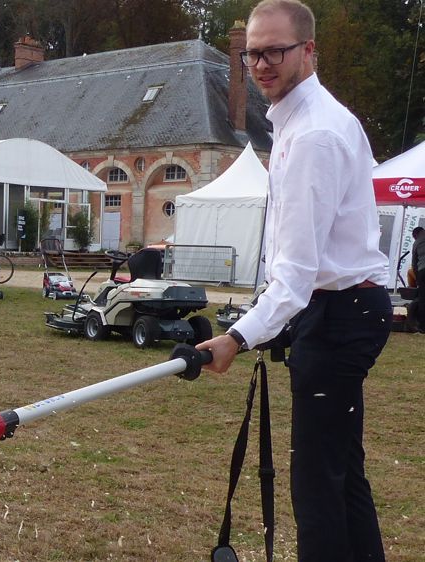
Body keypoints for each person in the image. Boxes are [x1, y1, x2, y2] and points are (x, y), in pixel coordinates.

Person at [196, 2, 392, 560]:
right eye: (251, 53)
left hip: (340, 314)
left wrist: (236, 339)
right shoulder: (295, 124)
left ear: (308, 51)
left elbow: (296, 277)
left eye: (274, 51)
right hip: (332, 312)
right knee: (339, 474)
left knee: (316, 487)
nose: (260, 64)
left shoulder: (314, 136)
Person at [407, 226, 425, 332]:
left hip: (423, 270)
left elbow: (414, 264)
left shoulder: (417, 242)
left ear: (415, 235)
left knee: (423, 299)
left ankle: (423, 327)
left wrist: (418, 279)